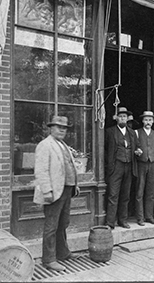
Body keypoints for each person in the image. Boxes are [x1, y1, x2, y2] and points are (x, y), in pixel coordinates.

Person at [33, 116, 80, 272]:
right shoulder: (45, 145)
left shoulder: (62, 145)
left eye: (64, 128)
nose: (62, 130)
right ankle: (48, 259)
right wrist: (47, 190)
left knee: (63, 223)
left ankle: (62, 253)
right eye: (58, 127)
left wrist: (75, 185)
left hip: (67, 189)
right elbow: (41, 170)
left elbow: (68, 167)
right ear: (51, 128)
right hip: (54, 191)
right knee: (51, 226)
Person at [105, 107, 142, 229]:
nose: (122, 118)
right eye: (120, 116)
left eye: (124, 117)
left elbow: (136, 147)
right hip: (116, 167)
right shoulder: (110, 131)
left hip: (129, 166)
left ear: (127, 119)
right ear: (116, 118)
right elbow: (105, 150)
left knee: (125, 195)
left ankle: (123, 220)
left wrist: (138, 151)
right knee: (113, 195)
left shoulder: (132, 132)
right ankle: (110, 222)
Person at [135, 111, 154, 226]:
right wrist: (136, 152)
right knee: (140, 191)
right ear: (142, 121)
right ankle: (140, 217)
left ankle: (149, 216)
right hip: (141, 165)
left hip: (152, 164)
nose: (148, 122)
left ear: (153, 121)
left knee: (152, 192)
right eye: (146, 120)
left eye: (150, 120)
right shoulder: (137, 133)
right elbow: (134, 149)